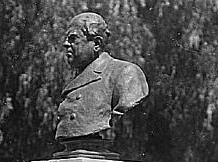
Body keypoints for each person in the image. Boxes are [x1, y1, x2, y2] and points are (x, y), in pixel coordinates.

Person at [54, 12, 149, 154]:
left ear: (97, 44)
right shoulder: (75, 79)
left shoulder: (125, 73)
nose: (66, 44)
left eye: (73, 38)